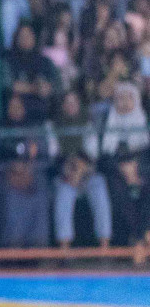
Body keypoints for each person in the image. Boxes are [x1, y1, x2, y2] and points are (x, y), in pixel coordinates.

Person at [0, 93, 52, 248]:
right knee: (11, 196)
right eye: (12, 106)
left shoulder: (35, 129)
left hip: (32, 176)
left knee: (40, 194)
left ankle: (38, 249)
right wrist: (10, 167)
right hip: (4, 177)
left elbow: (46, 160)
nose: (15, 110)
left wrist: (28, 168)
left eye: (19, 106)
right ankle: (12, 249)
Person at [50, 89, 111, 249]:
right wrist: (71, 171)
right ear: (62, 105)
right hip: (65, 174)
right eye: (67, 103)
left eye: (74, 102)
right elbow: (54, 155)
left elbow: (92, 153)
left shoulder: (87, 123)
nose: (71, 106)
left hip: (87, 173)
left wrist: (80, 169)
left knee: (99, 185)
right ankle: (64, 247)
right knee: (64, 192)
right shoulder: (53, 125)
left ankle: (104, 244)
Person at [2, 22, 61, 120]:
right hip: (20, 107)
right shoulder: (9, 60)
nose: (26, 39)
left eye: (29, 35)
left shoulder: (45, 61)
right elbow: (9, 84)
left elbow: (57, 84)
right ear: (16, 38)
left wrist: (47, 88)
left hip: (44, 107)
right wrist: (34, 88)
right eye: (22, 36)